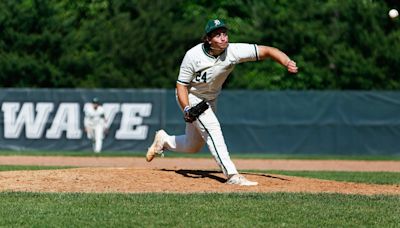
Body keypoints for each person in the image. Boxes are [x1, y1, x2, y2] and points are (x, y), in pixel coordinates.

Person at [146, 19, 298, 186]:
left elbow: (267, 51)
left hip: (210, 99)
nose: (224, 38)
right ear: (208, 39)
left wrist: (286, 62)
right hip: (191, 96)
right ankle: (232, 175)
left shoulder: (234, 51)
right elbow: (181, 85)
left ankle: (164, 140)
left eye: (224, 33)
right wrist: (187, 108)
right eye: (218, 35)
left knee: (193, 146)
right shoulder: (193, 55)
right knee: (213, 129)